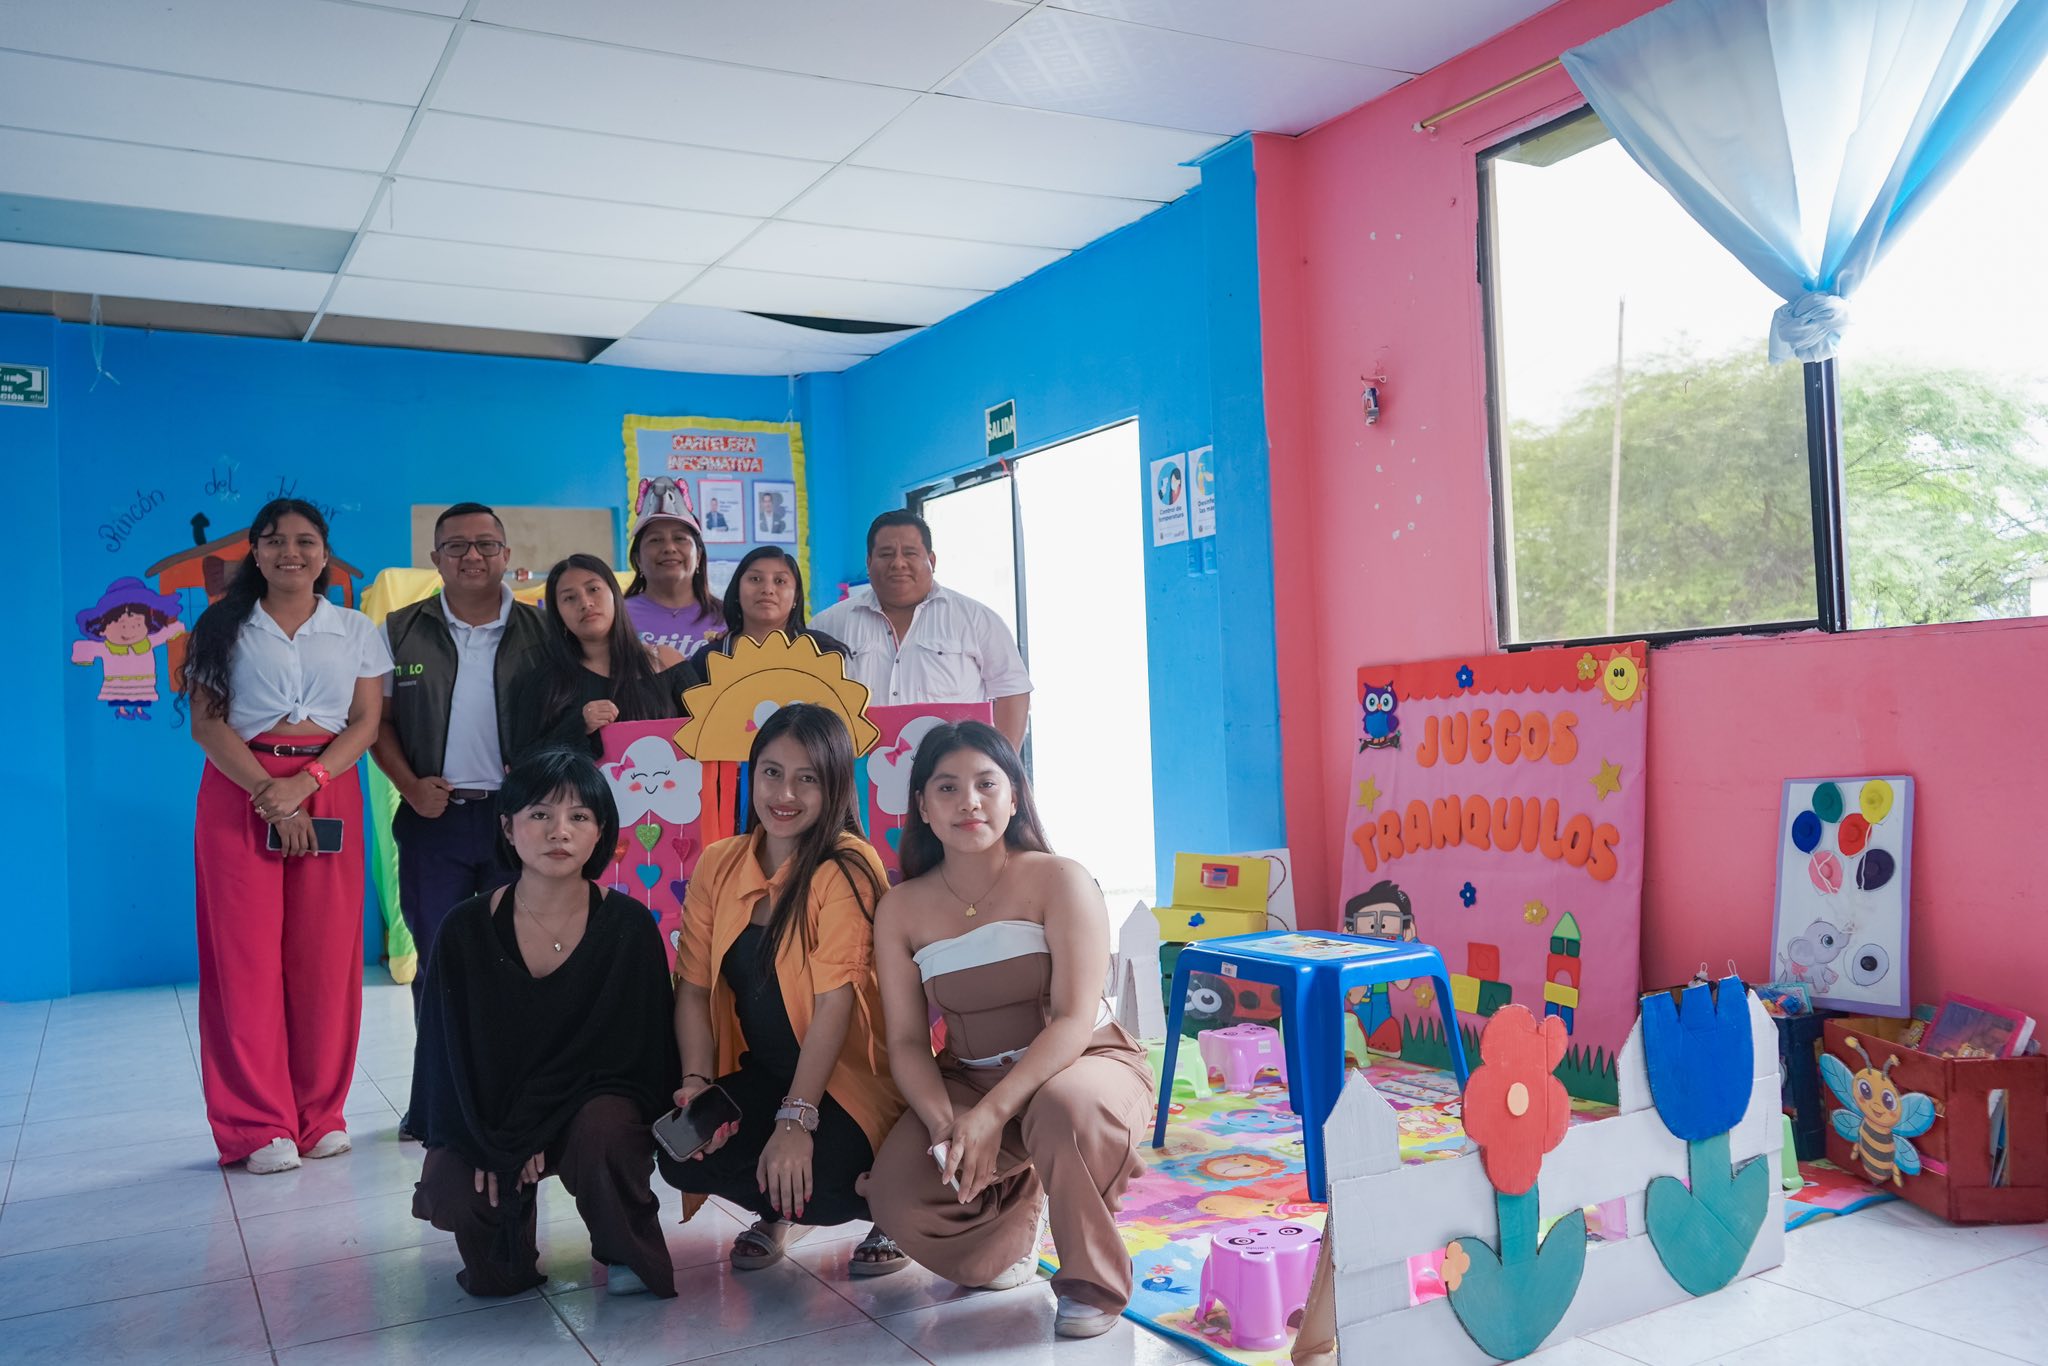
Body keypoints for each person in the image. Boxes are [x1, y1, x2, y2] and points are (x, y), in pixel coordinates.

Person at [866, 721, 1152, 1339]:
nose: (968, 802)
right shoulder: (901, 908)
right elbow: (908, 1042)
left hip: (1083, 1064)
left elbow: (1073, 1018)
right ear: (922, 806)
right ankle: (1017, 1222)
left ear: (1015, 795)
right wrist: (947, 1125)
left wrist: (993, 1114)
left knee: (1062, 1109)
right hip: (971, 1078)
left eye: (986, 784)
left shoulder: (1060, 878)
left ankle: (1092, 1279)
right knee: (895, 1195)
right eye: (947, 787)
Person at [409, 748, 680, 1299]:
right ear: (507, 827)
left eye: (579, 816)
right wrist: (494, 1140)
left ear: (600, 832)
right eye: (540, 814)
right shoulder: (463, 930)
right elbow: (444, 1061)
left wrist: (537, 1125)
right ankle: (507, 1243)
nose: (560, 831)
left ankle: (623, 1246)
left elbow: (638, 1064)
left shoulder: (629, 927)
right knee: (455, 1190)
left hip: (586, 1107)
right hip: (492, 1114)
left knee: (607, 1130)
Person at [661, 703, 908, 1276]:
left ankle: (892, 1208)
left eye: (808, 778)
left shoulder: (847, 865)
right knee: (681, 1154)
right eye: (772, 772)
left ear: (836, 785)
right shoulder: (720, 863)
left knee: (824, 1181)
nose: (785, 794)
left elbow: (835, 1004)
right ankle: (779, 1211)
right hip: (767, 1072)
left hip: (850, 1085)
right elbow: (692, 988)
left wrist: (795, 1121)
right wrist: (697, 1086)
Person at [183, 498, 393, 1174]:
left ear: (325, 554)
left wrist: (307, 784)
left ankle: (319, 1114)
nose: (290, 552)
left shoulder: (355, 628)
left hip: (325, 786)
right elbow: (208, 724)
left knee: (326, 960)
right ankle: (258, 1125)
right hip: (241, 787)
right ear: (256, 552)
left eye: (305, 541)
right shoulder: (221, 624)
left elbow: (365, 722)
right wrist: (270, 797)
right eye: (274, 540)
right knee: (242, 961)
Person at [372, 503, 547, 1016]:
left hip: (518, 822)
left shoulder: (543, 631)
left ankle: (511, 1070)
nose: (472, 556)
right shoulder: (399, 630)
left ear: (505, 554)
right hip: (433, 821)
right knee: (439, 960)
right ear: (436, 558)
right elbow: (376, 722)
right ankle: (440, 1070)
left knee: (517, 961)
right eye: (456, 546)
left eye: (485, 545)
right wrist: (409, 787)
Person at [810, 512, 1031, 749]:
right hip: (853, 765)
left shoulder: (976, 619)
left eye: (910, 553)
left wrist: (1000, 764)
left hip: (950, 766)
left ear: (932, 561)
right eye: (886, 554)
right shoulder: (828, 625)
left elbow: (1012, 691)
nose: (898, 563)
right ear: (868, 562)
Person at [507, 554, 689, 763]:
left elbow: (708, 728)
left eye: (593, 589)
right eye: (569, 598)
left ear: (614, 594)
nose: (585, 603)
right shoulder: (545, 681)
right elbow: (523, 759)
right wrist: (578, 726)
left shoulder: (667, 660)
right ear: (558, 614)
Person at [680, 546, 848, 688]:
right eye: (755, 579)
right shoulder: (708, 658)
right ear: (737, 590)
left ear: (796, 596)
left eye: (780, 581)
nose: (767, 589)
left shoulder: (823, 651)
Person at [621, 503, 724, 658]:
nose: (669, 548)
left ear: (698, 556)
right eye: (655, 540)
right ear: (638, 559)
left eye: (680, 538)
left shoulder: (728, 617)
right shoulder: (617, 616)